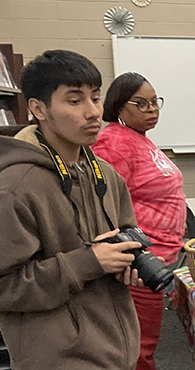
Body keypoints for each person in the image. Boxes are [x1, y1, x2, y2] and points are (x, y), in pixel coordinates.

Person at [0, 50, 145, 369]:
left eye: (96, 98)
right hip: (59, 358)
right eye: (75, 101)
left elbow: (124, 236)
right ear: (38, 108)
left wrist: (128, 261)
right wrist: (89, 262)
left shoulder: (106, 175)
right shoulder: (15, 187)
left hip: (116, 351)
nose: (93, 112)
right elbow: (6, 287)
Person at [91, 72, 186, 370]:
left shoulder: (139, 138)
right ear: (119, 106)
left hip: (160, 255)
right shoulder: (113, 143)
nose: (152, 109)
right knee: (138, 348)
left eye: (155, 102)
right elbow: (104, 208)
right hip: (138, 262)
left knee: (145, 342)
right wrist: (132, 257)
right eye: (141, 104)